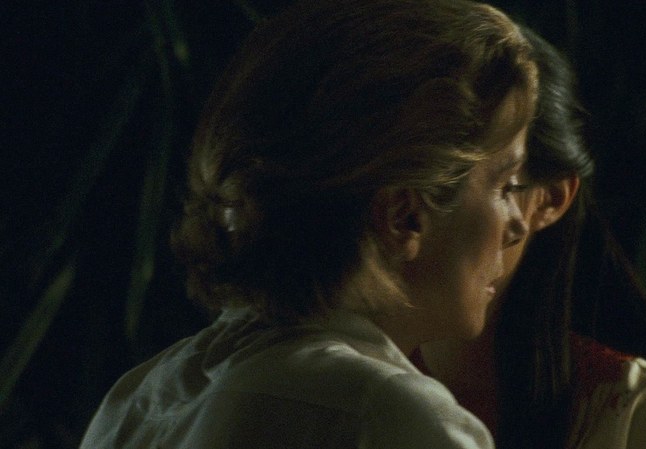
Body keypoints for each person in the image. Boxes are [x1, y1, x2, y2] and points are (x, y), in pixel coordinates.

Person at [78, 1, 540, 448]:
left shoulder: (138, 398)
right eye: (505, 185)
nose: (518, 224)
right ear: (405, 217)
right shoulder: (389, 418)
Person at [416, 28, 646, 449]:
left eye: (449, 181)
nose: (414, 212)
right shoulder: (352, 386)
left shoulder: (645, 416)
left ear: (549, 200)